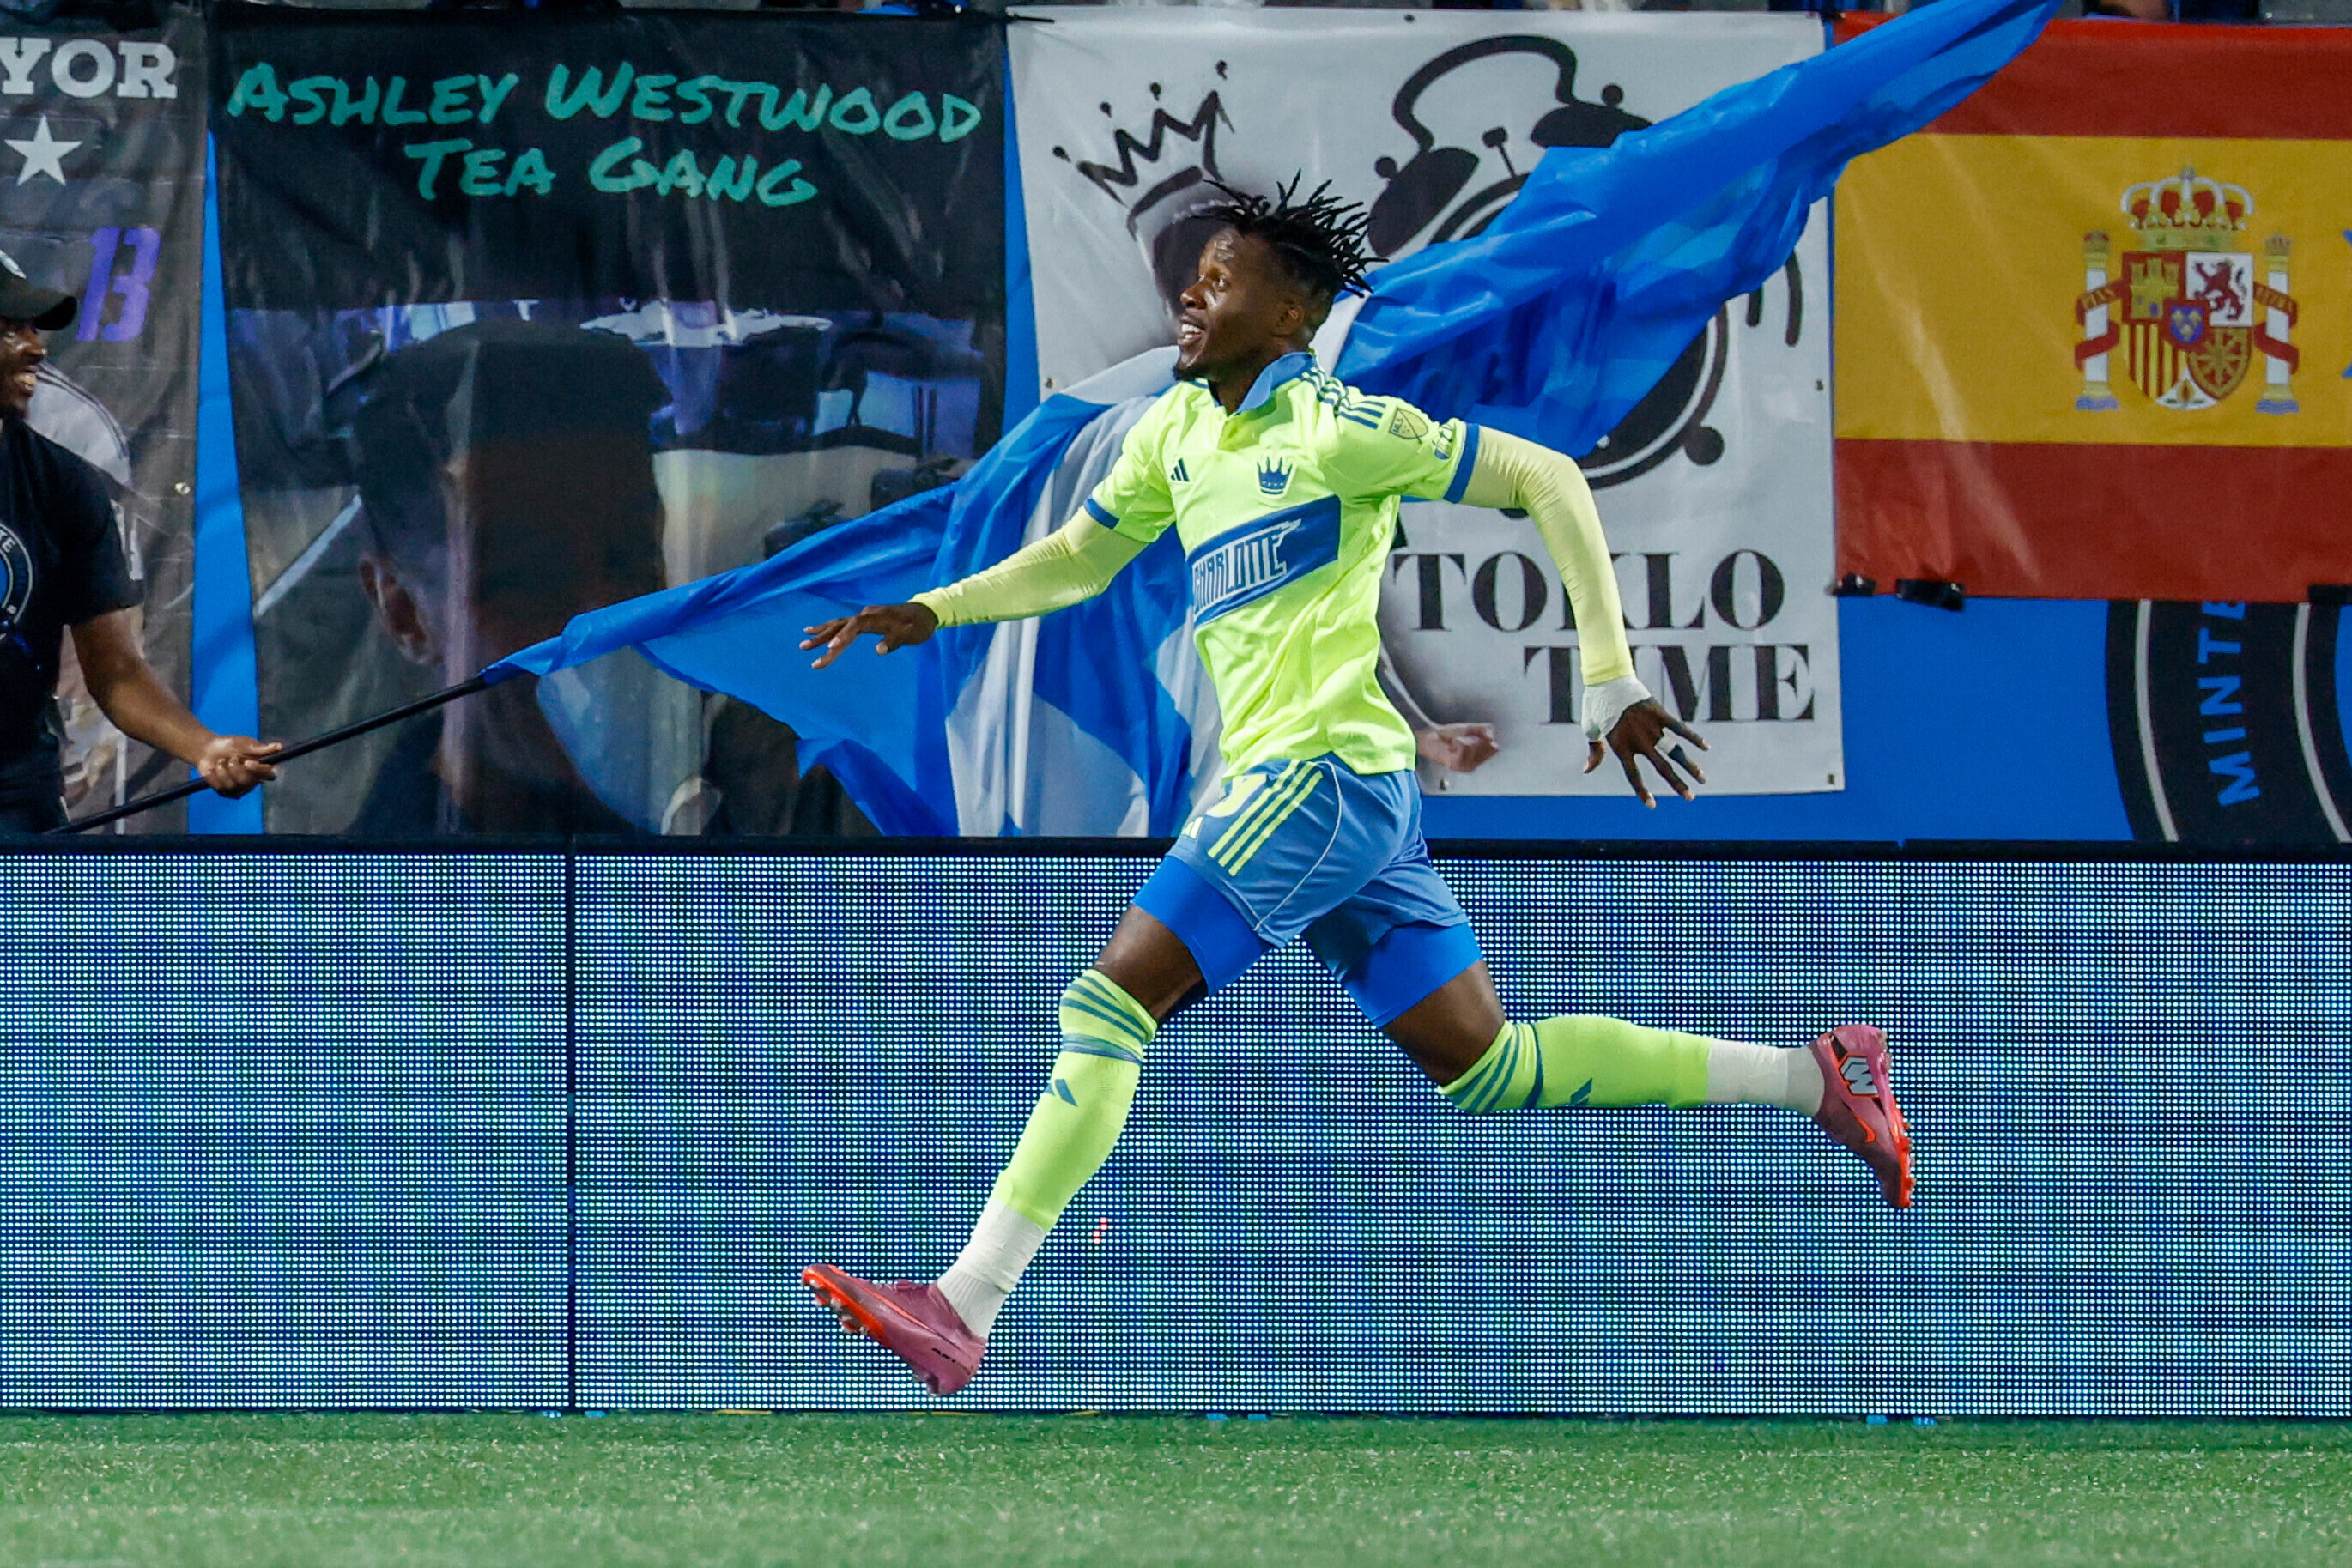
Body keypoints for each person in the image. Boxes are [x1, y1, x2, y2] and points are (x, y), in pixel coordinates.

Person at [798, 181, 1911, 1397]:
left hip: (1316, 779)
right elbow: (1082, 555)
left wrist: (1609, 679)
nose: (1191, 292)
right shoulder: (1179, 435)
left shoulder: (1336, 431)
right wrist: (935, 607)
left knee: (1109, 1003)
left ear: (1290, 316)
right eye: (1195, 275)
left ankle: (964, 1303)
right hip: (1349, 799)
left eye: (1220, 280)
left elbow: (1547, 478)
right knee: (1490, 1064)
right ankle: (1820, 1077)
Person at [346, 320, 688, 835]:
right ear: (404, 614)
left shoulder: (683, 834)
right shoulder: (357, 904)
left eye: (630, 558)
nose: (604, 620)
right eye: (530, 576)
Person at [0, 261, 277, 832]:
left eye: (36, 329)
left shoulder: (62, 486)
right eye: (10, 328)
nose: (36, 349)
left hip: (12, 801)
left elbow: (117, 672)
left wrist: (205, 746)